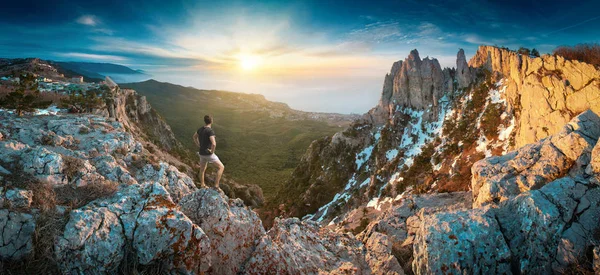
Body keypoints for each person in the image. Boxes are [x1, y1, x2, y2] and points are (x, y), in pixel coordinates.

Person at [193, 114, 225, 189]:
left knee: (202, 170)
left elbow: (194, 137)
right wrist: (212, 152)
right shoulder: (210, 131)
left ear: (205, 121)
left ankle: (202, 185)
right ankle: (216, 185)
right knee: (221, 167)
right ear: (212, 121)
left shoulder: (200, 129)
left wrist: (199, 145)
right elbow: (213, 144)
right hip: (208, 154)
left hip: (201, 153)